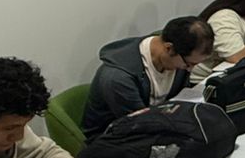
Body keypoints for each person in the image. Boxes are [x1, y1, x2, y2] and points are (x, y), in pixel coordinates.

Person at [81, 16, 213, 139]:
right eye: (189, 64)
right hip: (114, 139)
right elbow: (141, 124)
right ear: (169, 48)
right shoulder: (118, 77)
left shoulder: (178, 55)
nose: (190, 69)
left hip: (161, 124)